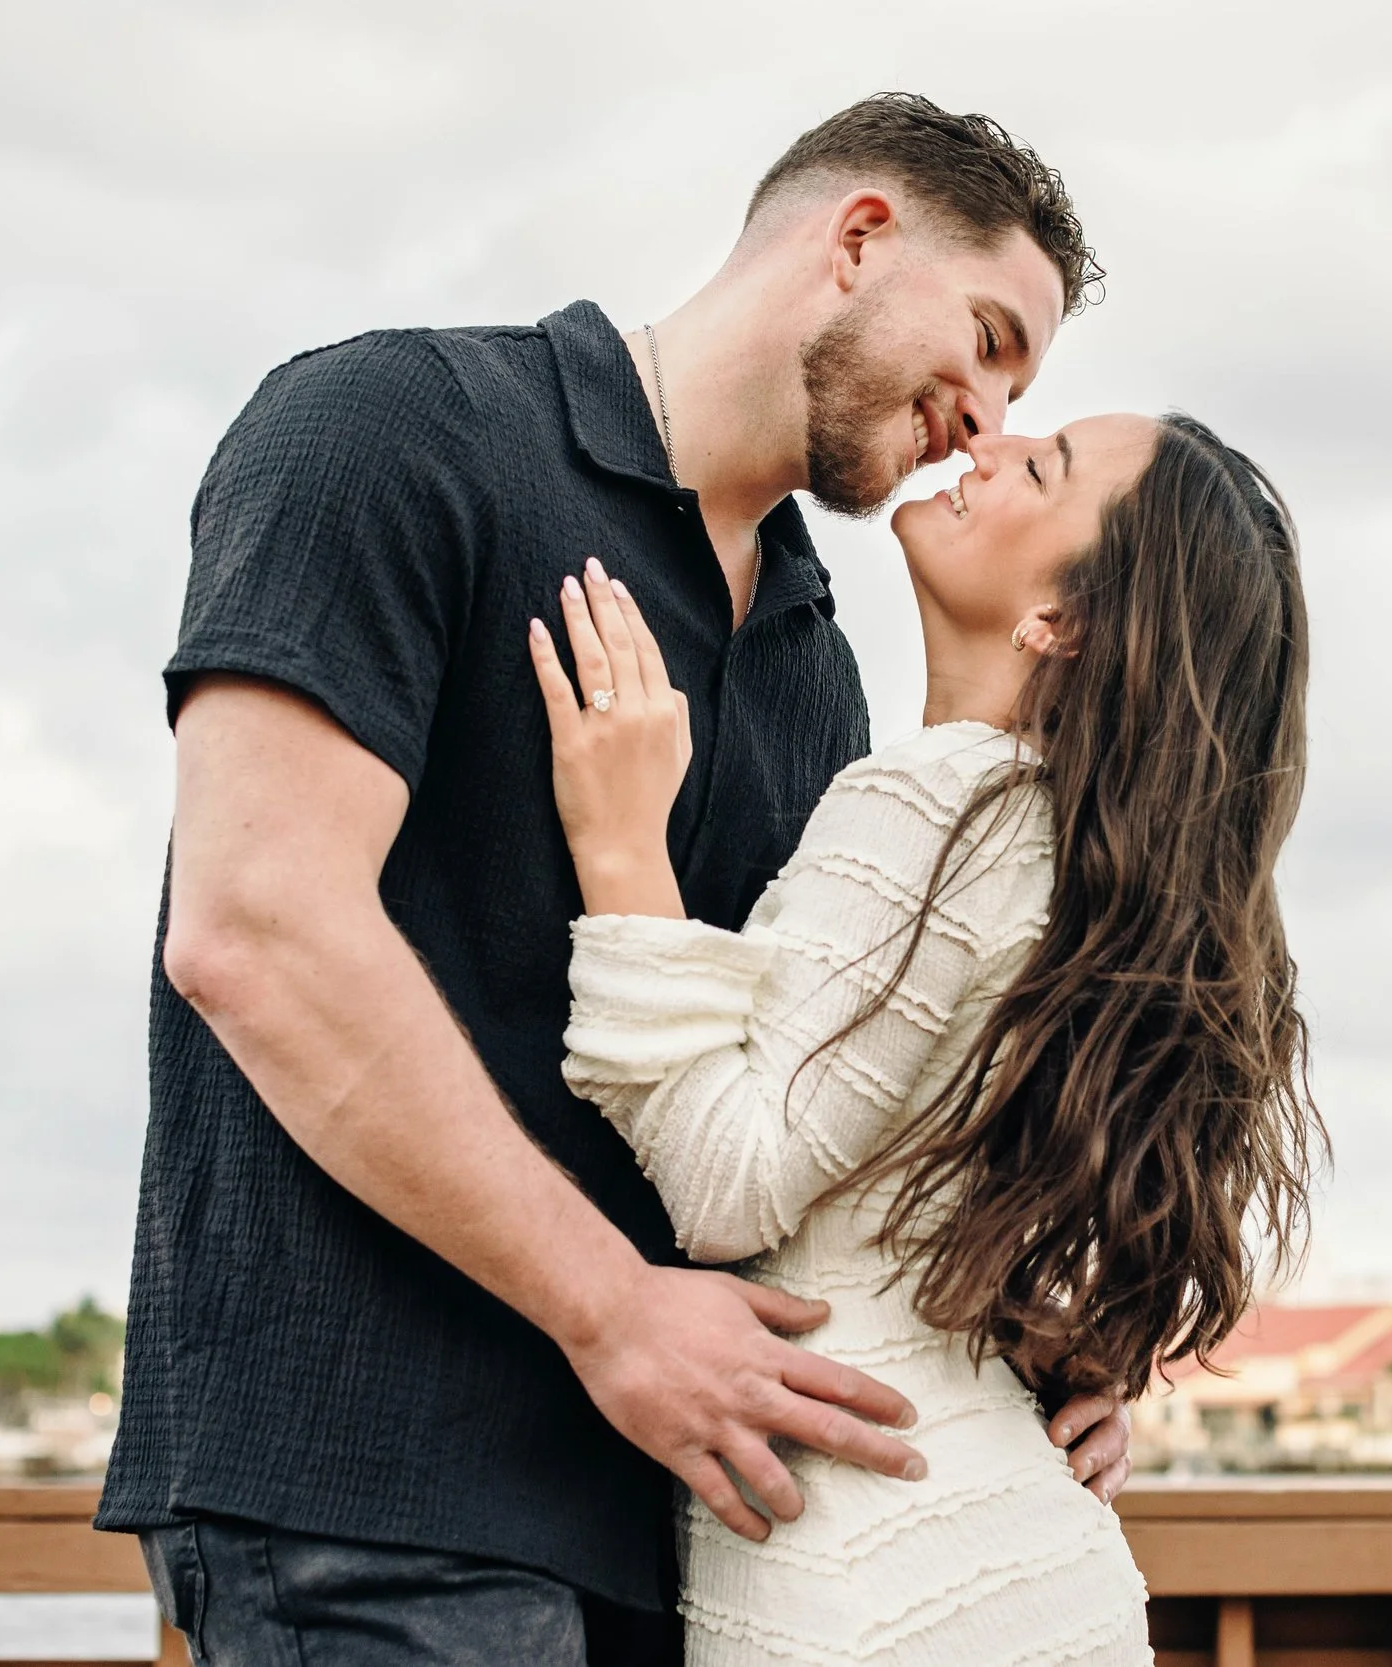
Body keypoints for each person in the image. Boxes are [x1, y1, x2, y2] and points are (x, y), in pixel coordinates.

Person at [101, 95, 1135, 1666]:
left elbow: (788, 1113)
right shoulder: (394, 423)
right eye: (988, 339)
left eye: (1021, 390)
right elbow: (256, 929)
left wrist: (1018, 1319)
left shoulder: (814, 669)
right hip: (378, 1498)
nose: (987, 419)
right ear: (856, 239)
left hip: (696, 1517)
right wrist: (610, 1308)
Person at [529, 412, 1322, 1662]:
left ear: (1060, 623)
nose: (991, 445)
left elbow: (732, 1183)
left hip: (866, 1570)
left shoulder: (935, 798)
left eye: (1042, 468)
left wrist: (623, 845)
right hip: (1007, 1547)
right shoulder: (1076, 853)